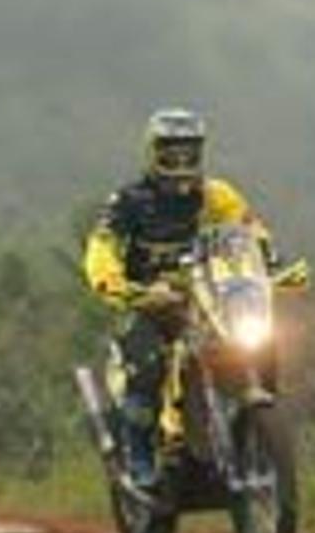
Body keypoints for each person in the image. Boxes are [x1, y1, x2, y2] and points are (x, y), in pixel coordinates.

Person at [81, 107, 274, 489]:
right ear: (153, 152)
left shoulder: (216, 195)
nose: (182, 160)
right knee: (147, 362)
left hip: (206, 297)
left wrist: (270, 263)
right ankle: (140, 453)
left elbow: (249, 229)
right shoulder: (129, 201)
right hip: (150, 302)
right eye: (172, 151)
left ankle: (249, 429)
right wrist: (114, 282)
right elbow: (102, 246)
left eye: (190, 151)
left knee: (260, 342)